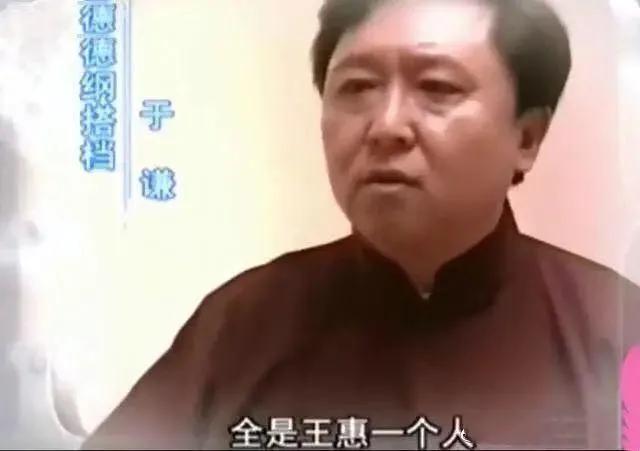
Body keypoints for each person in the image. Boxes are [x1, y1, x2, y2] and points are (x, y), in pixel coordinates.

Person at [83, 0, 640, 449]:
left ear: (527, 137)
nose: (386, 126)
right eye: (357, 88)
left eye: (438, 88)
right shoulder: (240, 326)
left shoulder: (616, 332)